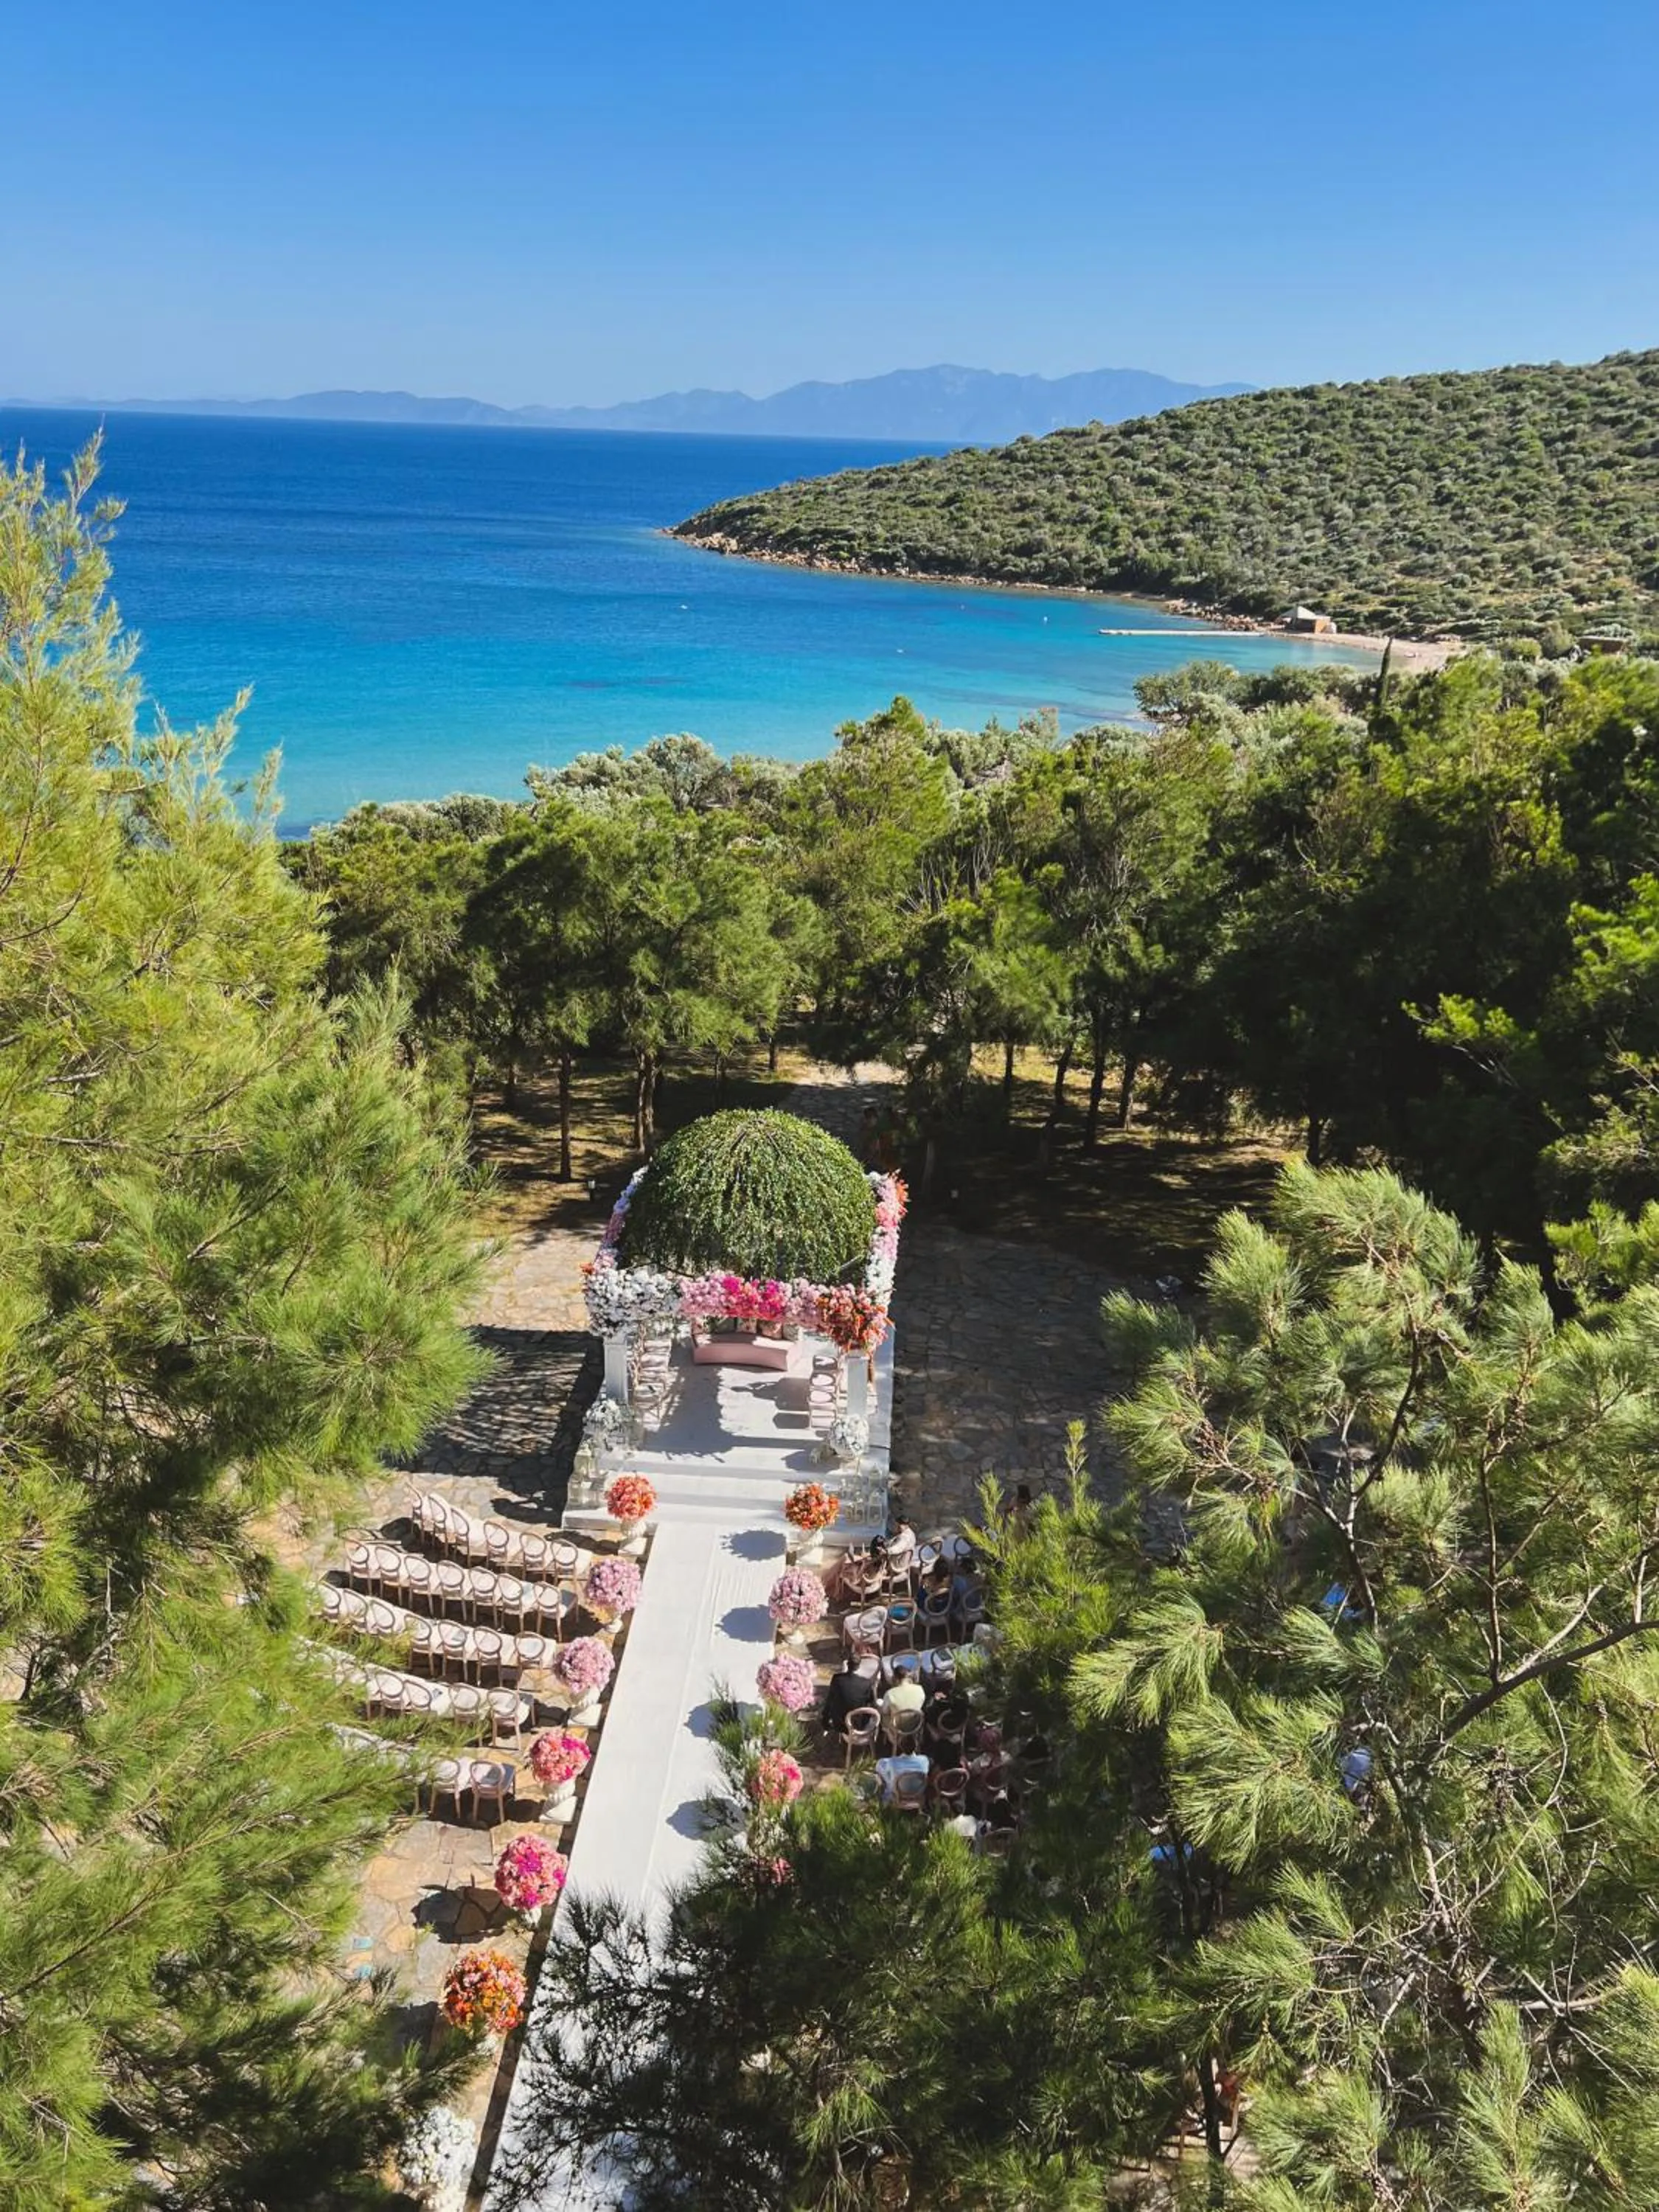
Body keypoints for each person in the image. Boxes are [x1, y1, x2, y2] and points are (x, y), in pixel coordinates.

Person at [822, 1659, 874, 1737]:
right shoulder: (866, 1683)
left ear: (847, 1665)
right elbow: (871, 1701)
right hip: (859, 1725)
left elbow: (830, 1700)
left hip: (840, 1724)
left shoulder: (837, 1679)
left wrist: (825, 1718)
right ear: (859, 1667)